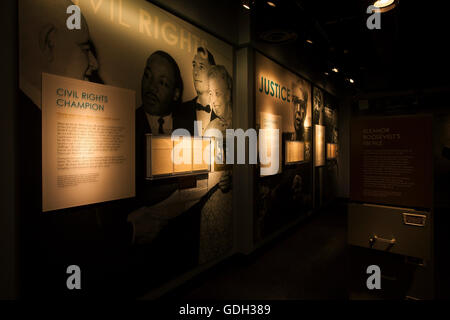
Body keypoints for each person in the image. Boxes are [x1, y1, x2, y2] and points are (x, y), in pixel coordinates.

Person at [135, 50, 183, 206]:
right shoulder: (128, 124)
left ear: (175, 94)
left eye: (162, 83)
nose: (151, 87)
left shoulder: (188, 127)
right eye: (148, 76)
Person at [173, 47, 216, 136]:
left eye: (201, 67)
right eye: (194, 65)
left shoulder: (223, 111)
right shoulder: (181, 111)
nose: (195, 72)